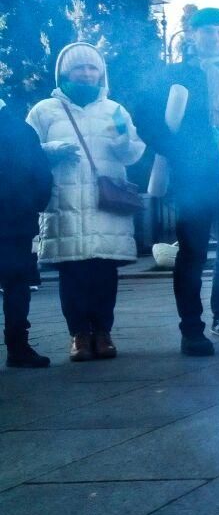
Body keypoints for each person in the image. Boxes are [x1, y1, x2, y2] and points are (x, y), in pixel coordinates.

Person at [136, 7, 219, 354]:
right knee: (193, 254)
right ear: (191, 35)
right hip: (193, 179)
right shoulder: (172, 76)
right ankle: (192, 330)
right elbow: (147, 119)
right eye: (206, 31)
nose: (213, 37)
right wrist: (178, 149)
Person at [26, 43, 146, 361]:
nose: (87, 73)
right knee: (73, 274)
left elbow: (133, 154)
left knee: (105, 273)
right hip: (65, 202)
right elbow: (24, 153)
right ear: (65, 72)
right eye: (79, 67)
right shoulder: (43, 110)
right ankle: (79, 335)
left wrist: (123, 140)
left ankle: (103, 333)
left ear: (101, 72)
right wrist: (51, 149)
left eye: (93, 68)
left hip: (105, 205)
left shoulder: (116, 110)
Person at [0, 89, 53, 368]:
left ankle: (19, 346)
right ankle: (17, 346)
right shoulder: (20, 129)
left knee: (17, 284)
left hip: (15, 220)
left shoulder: (20, 130)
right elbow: (42, 175)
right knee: (16, 285)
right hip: (15, 221)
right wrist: (32, 205)